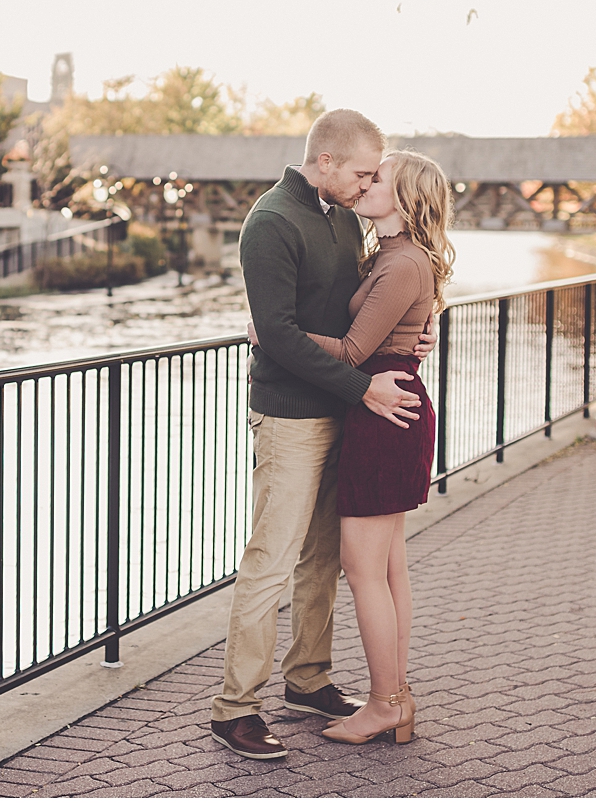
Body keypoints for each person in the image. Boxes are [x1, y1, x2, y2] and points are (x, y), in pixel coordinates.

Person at [209, 109, 426, 763]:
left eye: (372, 177)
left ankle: (308, 678)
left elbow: (368, 303)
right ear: (325, 162)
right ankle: (235, 708)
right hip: (291, 416)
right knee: (271, 559)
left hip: (343, 413)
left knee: (323, 559)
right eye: (361, 172)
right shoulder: (272, 222)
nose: (367, 185)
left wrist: (411, 335)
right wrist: (363, 388)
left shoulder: (341, 216)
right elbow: (275, 332)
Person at [296, 150, 452, 745]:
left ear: (406, 196)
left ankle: (385, 703)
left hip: (384, 413)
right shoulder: (391, 256)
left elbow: (355, 352)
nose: (365, 183)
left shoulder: (401, 262)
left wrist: (275, 333)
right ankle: (397, 696)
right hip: (390, 407)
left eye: (377, 177)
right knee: (386, 569)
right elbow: (399, 325)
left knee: (364, 571)